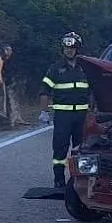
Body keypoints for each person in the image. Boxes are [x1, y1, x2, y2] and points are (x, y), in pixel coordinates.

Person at [39, 32, 90, 191]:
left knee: (82, 149)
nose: (69, 51)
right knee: (60, 148)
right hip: (63, 116)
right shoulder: (55, 68)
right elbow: (45, 90)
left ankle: (80, 182)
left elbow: (95, 91)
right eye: (66, 48)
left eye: (72, 48)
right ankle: (59, 181)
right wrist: (44, 111)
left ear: (77, 49)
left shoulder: (86, 68)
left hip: (82, 116)